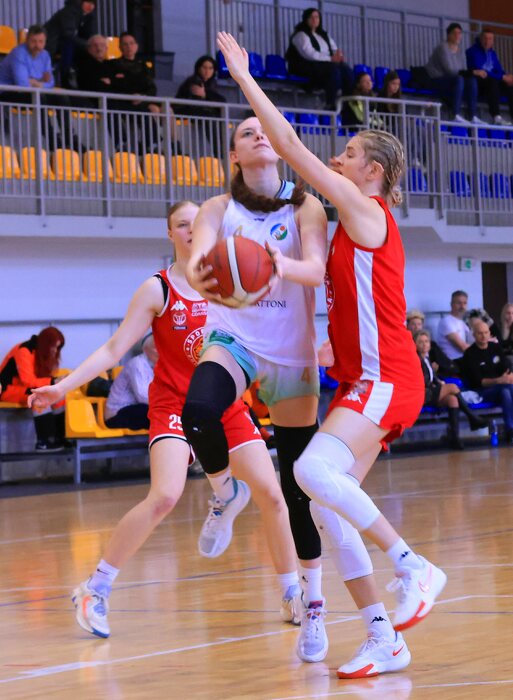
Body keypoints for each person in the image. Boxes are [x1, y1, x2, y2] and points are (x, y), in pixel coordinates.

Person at [215, 32, 447, 678]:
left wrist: (244, 79)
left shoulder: (364, 208)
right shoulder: (350, 228)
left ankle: (413, 565)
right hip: (363, 376)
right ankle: (383, 636)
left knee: (311, 472)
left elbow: (289, 147)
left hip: (387, 376)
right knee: (324, 502)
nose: (334, 160)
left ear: (372, 172)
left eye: (346, 154)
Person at [29, 201, 300, 638]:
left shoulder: (233, 282)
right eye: (181, 224)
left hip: (224, 403)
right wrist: (63, 387)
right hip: (173, 404)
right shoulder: (158, 289)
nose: (191, 229)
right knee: (165, 496)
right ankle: (95, 588)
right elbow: (114, 349)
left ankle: (291, 593)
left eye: (198, 222)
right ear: (170, 233)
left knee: (272, 493)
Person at [183, 115, 332, 663]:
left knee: (296, 487)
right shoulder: (218, 209)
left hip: (291, 352)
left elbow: (316, 271)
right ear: (235, 156)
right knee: (198, 410)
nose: (259, 135)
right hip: (236, 337)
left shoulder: (306, 207)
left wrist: (274, 265)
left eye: (264, 129)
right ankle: (225, 492)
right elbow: (197, 262)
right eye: (246, 133)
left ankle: (313, 606)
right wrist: (203, 273)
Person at [0, 25, 75, 151]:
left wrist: (37, 83)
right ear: (26, 40)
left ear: (45, 42)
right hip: (7, 92)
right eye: (33, 41)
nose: (37, 45)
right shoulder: (18, 53)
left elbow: (50, 82)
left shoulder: (45, 55)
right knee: (40, 98)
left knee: (62, 98)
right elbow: (22, 84)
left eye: (41, 42)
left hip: (31, 92)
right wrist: (39, 82)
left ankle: (69, 138)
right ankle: (53, 141)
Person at [415, 329, 487, 449]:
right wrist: (438, 386)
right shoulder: (415, 359)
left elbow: (432, 377)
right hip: (422, 394)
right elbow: (421, 381)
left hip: (430, 392)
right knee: (453, 387)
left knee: (452, 400)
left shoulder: (427, 358)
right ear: (415, 344)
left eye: (426, 341)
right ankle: (472, 417)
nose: (424, 344)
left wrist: (438, 382)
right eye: (421, 342)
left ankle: (454, 438)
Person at [0, 327, 67, 452]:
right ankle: (44, 442)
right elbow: (29, 381)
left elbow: (37, 381)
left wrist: (55, 383)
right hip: (6, 390)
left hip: (22, 389)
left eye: (58, 347)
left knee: (59, 396)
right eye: (53, 346)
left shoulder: (41, 354)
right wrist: (53, 381)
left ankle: (61, 437)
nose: (55, 350)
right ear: (46, 344)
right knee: (39, 396)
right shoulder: (24, 351)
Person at [285, 7, 353, 110]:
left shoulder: (324, 35)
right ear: (306, 19)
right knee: (333, 71)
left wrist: (338, 55)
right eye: (311, 17)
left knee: (346, 70)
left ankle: (347, 103)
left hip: (323, 66)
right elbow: (309, 54)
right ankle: (330, 103)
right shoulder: (300, 35)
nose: (314, 20)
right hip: (305, 67)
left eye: (316, 17)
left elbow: (334, 49)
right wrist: (331, 59)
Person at [461, 320, 513, 444]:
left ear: (490, 333)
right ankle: (510, 430)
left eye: (486, 332)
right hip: (481, 391)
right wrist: (499, 380)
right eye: (480, 333)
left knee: (506, 392)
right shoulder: (470, 354)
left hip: (503, 388)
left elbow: (506, 366)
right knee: (506, 389)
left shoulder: (495, 348)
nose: (483, 336)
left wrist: (509, 375)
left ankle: (510, 430)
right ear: (474, 335)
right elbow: (479, 382)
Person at [108, 32, 162, 152]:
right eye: (125, 44)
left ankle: (153, 145)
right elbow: (114, 85)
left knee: (150, 112)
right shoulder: (113, 64)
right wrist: (131, 94)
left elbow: (152, 88)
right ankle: (128, 144)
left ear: (136, 46)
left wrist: (143, 97)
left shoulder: (144, 66)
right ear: (120, 47)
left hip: (141, 101)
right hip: (122, 102)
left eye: (131, 43)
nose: (129, 47)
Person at [425, 22, 481, 124]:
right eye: (454, 33)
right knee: (459, 79)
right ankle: (455, 114)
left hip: (452, 79)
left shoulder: (461, 50)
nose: (457, 35)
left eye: (459, 33)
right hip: (436, 79)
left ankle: (472, 115)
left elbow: (464, 69)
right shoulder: (442, 47)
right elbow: (450, 70)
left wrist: (469, 73)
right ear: (449, 35)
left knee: (471, 81)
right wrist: (472, 72)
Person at [104, 333, 157, 430]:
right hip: (116, 414)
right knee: (157, 413)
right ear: (147, 349)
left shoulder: (156, 366)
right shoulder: (138, 364)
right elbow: (143, 396)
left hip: (134, 408)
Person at [44, 0, 98, 87]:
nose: (91, 6)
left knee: (92, 48)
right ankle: (66, 78)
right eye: (88, 2)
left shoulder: (86, 16)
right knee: (70, 45)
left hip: (61, 45)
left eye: (93, 4)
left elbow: (89, 36)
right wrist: (87, 44)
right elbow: (68, 35)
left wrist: (89, 20)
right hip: (50, 44)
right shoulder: (69, 12)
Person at [466, 29, 513, 125]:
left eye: (490, 39)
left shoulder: (492, 53)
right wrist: (502, 77)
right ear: (480, 39)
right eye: (485, 38)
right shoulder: (472, 51)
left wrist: (506, 76)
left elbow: (498, 70)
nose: (487, 41)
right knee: (493, 81)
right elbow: (482, 72)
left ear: (493, 41)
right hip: (479, 84)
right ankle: (496, 117)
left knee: (510, 86)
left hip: (493, 83)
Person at [406, 309, 457, 377]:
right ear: (407, 326)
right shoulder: (406, 344)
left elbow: (445, 363)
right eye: (413, 324)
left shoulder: (432, 345)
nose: (416, 327)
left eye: (419, 324)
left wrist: (439, 367)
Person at [436, 290, 473, 362]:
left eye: (465, 303)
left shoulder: (463, 322)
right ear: (451, 304)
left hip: (463, 360)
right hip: (452, 362)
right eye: (459, 303)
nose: (462, 306)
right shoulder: (446, 321)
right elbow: (463, 347)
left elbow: (473, 340)